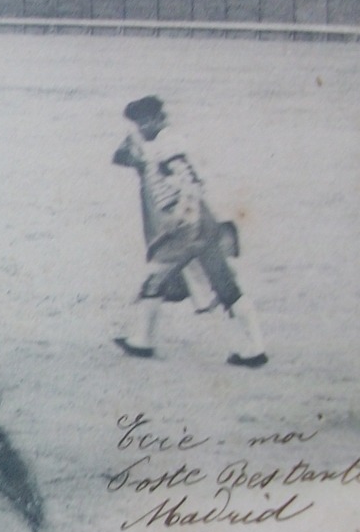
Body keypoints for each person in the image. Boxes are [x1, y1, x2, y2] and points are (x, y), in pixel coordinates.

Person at [111, 96, 268, 367]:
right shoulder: (163, 142)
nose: (140, 128)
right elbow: (123, 158)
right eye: (137, 124)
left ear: (156, 119)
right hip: (198, 224)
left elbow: (189, 182)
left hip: (187, 227)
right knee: (221, 284)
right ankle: (254, 350)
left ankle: (143, 342)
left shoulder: (167, 144)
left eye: (143, 122)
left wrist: (182, 219)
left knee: (159, 280)